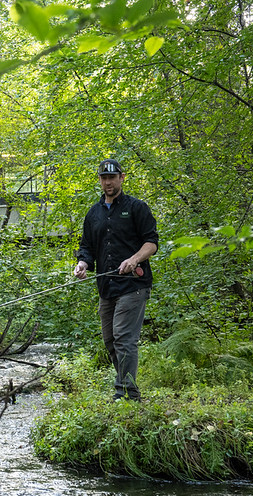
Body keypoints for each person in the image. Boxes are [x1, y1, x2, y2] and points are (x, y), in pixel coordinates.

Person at [73, 159, 159, 401]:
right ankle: (127, 389)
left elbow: (151, 243)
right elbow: (86, 247)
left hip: (133, 285)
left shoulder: (136, 208)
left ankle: (126, 394)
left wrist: (134, 259)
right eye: (104, 178)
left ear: (122, 178)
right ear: (100, 180)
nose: (108, 182)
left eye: (112, 177)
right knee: (110, 340)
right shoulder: (93, 213)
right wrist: (82, 264)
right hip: (106, 286)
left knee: (123, 337)